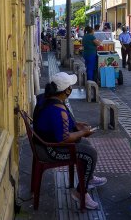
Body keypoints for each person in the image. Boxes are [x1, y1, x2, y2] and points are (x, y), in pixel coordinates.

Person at [33, 73, 107, 209]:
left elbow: (60, 124)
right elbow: (63, 138)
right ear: (66, 90)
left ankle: (88, 179)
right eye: (70, 86)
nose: (71, 88)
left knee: (86, 145)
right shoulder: (57, 109)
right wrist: (83, 132)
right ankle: (80, 192)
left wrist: (77, 125)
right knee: (91, 154)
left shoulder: (46, 98)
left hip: (42, 142)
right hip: (49, 150)